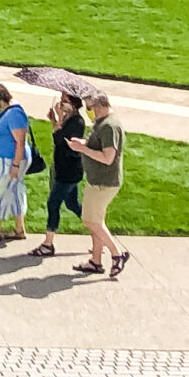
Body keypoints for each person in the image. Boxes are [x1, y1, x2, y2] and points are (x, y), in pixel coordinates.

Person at [67, 92, 129, 278]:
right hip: (97, 180)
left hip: (104, 182)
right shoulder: (103, 123)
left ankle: (117, 254)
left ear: (100, 106)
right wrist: (84, 143)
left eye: (90, 107)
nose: (89, 111)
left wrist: (82, 149)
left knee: (90, 221)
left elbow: (108, 157)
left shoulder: (109, 127)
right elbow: (99, 146)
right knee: (97, 223)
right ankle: (95, 261)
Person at [31, 91, 85, 258]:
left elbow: (60, 140)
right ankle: (98, 230)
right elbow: (58, 137)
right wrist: (55, 120)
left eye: (65, 101)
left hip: (68, 171)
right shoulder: (69, 119)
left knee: (53, 203)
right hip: (64, 169)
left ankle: (48, 244)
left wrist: (58, 120)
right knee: (72, 204)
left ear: (74, 103)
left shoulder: (77, 122)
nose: (61, 103)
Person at [0, 82, 32, 244]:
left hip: (9, 161)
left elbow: (20, 141)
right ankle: (19, 229)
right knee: (15, 192)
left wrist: (15, 165)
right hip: (4, 159)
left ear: (0, 99)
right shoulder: (2, 112)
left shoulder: (15, 114)